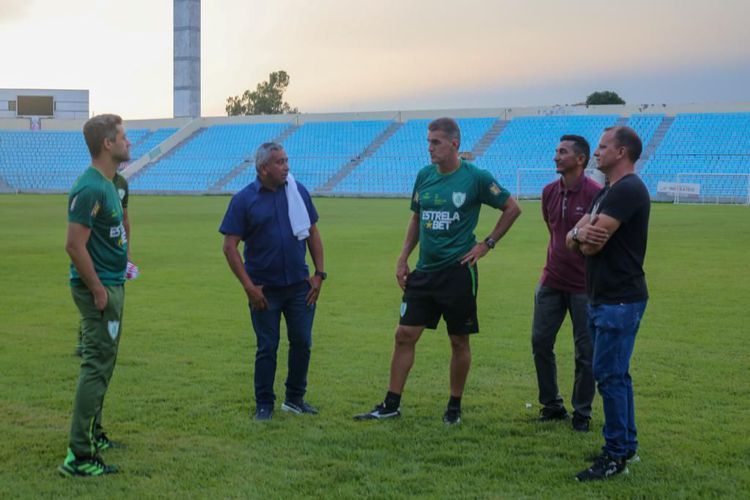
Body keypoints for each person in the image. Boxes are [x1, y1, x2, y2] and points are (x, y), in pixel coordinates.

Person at [354, 117, 521, 425]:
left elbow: (512, 208)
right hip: (424, 272)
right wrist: (403, 257)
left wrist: (487, 244)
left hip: (458, 271)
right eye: (428, 142)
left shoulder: (476, 177)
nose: (429, 148)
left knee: (458, 341)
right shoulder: (424, 176)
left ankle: (454, 406)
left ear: (454, 144)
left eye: (436, 142)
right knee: (404, 334)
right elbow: (417, 218)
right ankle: (391, 404)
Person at [566, 126, 650, 481]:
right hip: (605, 297)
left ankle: (615, 455)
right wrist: (578, 234)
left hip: (618, 300)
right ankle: (626, 445)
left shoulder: (626, 190)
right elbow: (575, 236)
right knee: (617, 375)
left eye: (602, 147)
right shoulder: (609, 192)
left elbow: (590, 245)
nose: (596, 153)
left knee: (610, 377)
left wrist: (580, 236)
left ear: (622, 152)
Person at [220, 142, 325, 421]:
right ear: (263, 168)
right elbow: (230, 247)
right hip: (264, 291)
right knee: (267, 346)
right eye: (279, 162)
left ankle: (295, 399)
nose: (286, 167)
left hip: (299, 286)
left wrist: (319, 274)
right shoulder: (244, 200)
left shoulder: (297, 190)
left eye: (287, 160)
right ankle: (264, 403)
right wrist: (249, 287)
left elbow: (312, 232)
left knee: (302, 341)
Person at [58, 114, 131, 477]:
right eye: (123, 137)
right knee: (96, 367)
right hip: (99, 290)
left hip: (112, 283)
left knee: (104, 365)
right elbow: (74, 246)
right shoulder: (90, 188)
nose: (128, 143)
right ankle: (80, 456)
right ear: (107, 144)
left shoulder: (109, 184)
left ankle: (94, 434)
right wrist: (99, 289)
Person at [532, 135, 601, 432]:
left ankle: (582, 412)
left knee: (585, 352)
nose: (556, 157)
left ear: (581, 159)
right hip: (551, 281)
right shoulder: (548, 192)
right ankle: (552, 405)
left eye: (562, 152)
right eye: (555, 151)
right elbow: (554, 232)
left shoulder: (596, 194)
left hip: (585, 287)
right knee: (540, 342)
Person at [74, 168, 137, 357]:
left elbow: (124, 219)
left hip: (114, 251)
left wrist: (126, 250)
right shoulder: (91, 183)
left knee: (111, 297)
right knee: (95, 296)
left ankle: (98, 341)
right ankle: (86, 341)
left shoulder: (122, 184)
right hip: (95, 250)